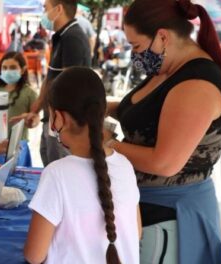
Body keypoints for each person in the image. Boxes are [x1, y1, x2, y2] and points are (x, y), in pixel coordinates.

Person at [105, 0, 221, 262]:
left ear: (162, 37)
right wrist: (97, 107)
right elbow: (144, 113)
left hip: (168, 217)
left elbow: (164, 162)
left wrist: (107, 145)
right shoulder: (166, 68)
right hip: (143, 208)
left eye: (136, 46)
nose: (134, 54)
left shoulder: (196, 84)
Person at [24, 67, 140, 264]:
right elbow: (136, 232)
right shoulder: (125, 165)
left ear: (59, 118)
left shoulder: (56, 174)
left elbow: (34, 256)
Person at [15, 0, 91, 167]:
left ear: (58, 9)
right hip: (52, 119)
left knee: (59, 171)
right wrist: (36, 108)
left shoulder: (73, 38)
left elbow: (68, 87)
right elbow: (51, 77)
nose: (44, 13)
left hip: (63, 123)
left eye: (45, 8)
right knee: (49, 163)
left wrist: (57, 123)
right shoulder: (62, 36)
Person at [0, 52, 38, 140]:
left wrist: (31, 122)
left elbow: (36, 117)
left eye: (13, 68)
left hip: (18, 143)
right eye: (4, 68)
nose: (8, 71)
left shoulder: (29, 93)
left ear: (23, 70)